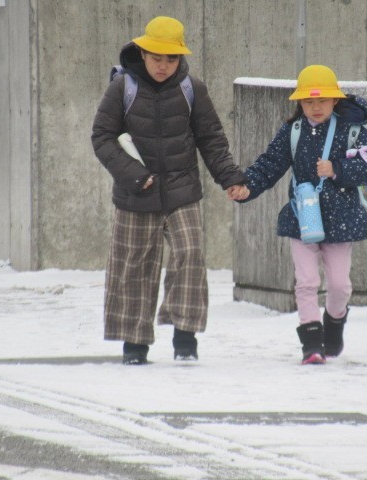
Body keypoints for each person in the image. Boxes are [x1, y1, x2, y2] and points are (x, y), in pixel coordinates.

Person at [92, 16, 246, 365]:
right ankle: (134, 344)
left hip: (182, 190)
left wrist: (230, 178)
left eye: (171, 58)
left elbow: (211, 139)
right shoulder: (122, 87)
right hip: (135, 193)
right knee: (133, 266)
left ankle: (184, 336)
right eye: (156, 57)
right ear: (143, 53)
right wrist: (134, 175)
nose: (163, 65)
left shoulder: (192, 88)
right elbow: (102, 137)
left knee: (190, 254)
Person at [229, 65, 367, 365]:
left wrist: (337, 169)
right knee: (307, 281)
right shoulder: (293, 131)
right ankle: (311, 344)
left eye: (322, 100)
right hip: (303, 218)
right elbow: (270, 164)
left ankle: (334, 324)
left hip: (342, 220)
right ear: (300, 102)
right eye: (309, 101)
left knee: (340, 285)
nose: (316, 106)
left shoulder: (352, 131)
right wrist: (248, 187)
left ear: (335, 100)